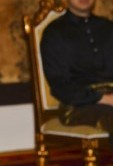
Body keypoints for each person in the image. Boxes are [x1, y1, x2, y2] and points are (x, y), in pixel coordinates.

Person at [40, 0, 113, 133]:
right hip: (77, 105)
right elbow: (60, 85)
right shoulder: (54, 33)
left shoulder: (108, 27)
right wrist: (105, 99)